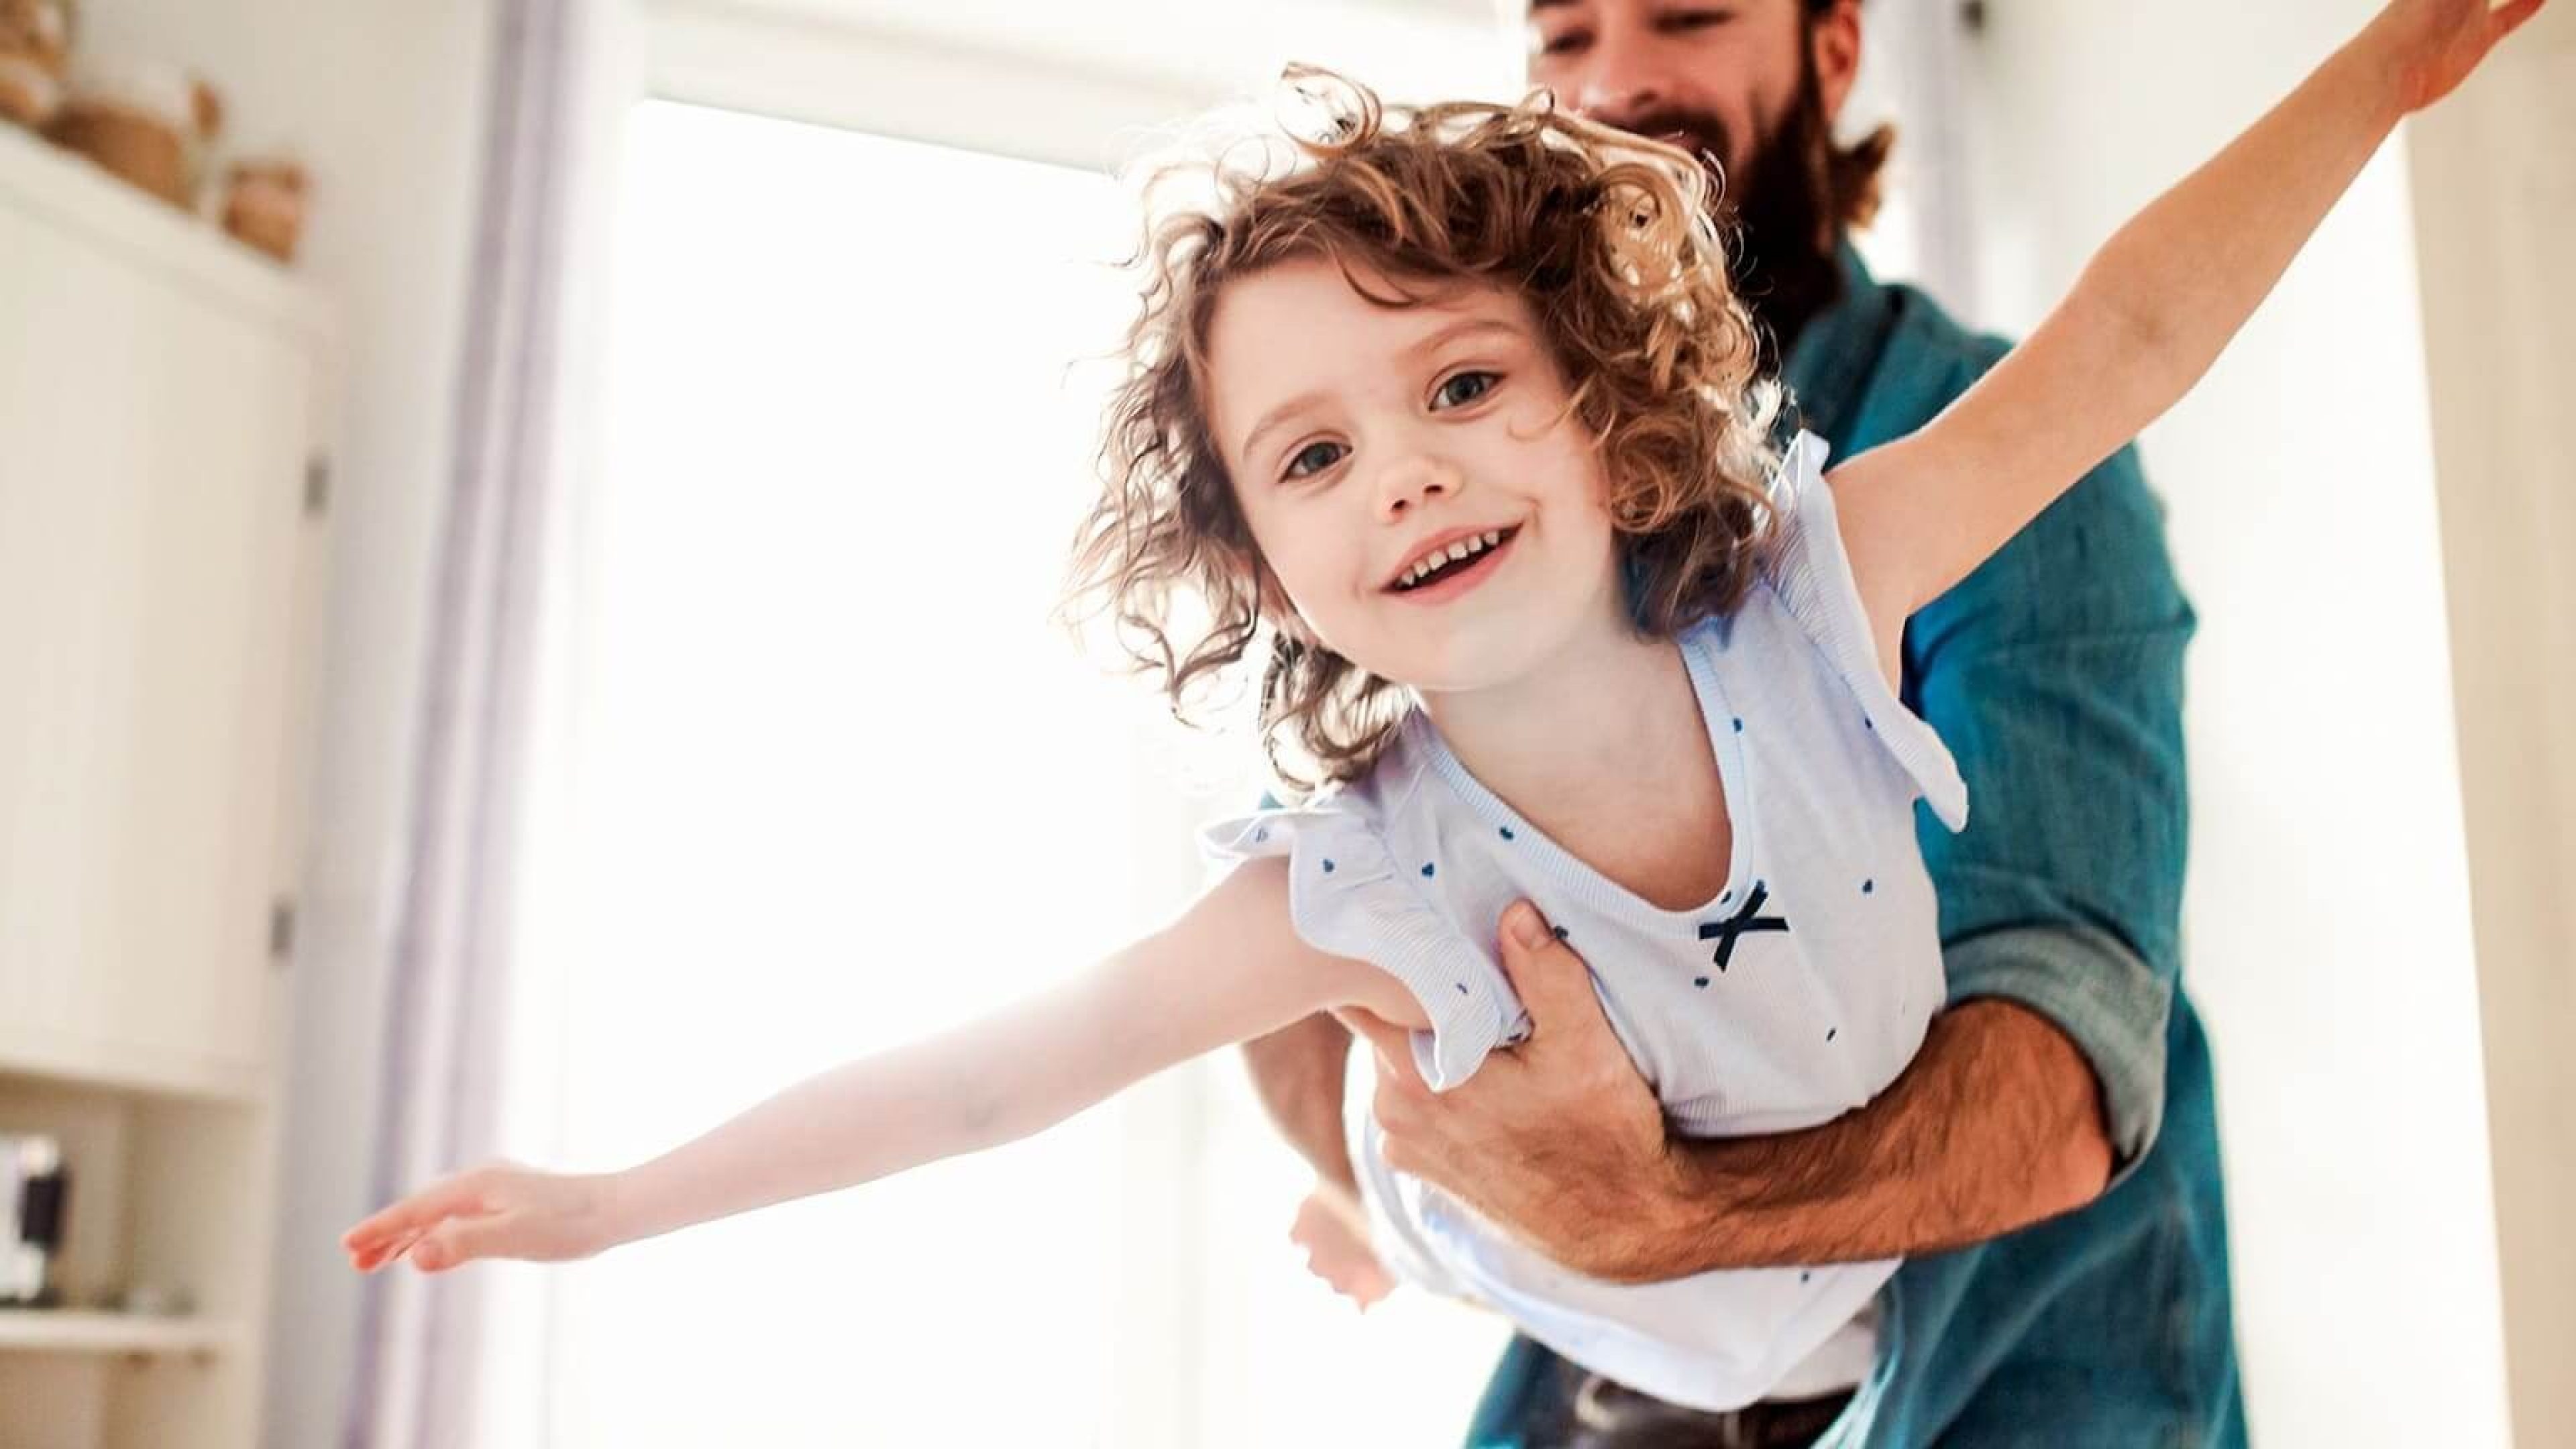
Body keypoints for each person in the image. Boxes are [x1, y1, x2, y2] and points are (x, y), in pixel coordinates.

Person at [339, 2, 2537, 1436]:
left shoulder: (1817, 592)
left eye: (1462, 389)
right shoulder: (1347, 867)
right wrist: (611, 1204)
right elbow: (988, 1085)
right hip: (1591, 1330)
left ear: (1612, 410)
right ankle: (1376, 1223)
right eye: (1307, 459)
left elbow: (2128, 337)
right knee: (1388, 1151)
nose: (1397, 470)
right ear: (1260, 562)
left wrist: (2388, 73)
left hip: (1904, 1340)